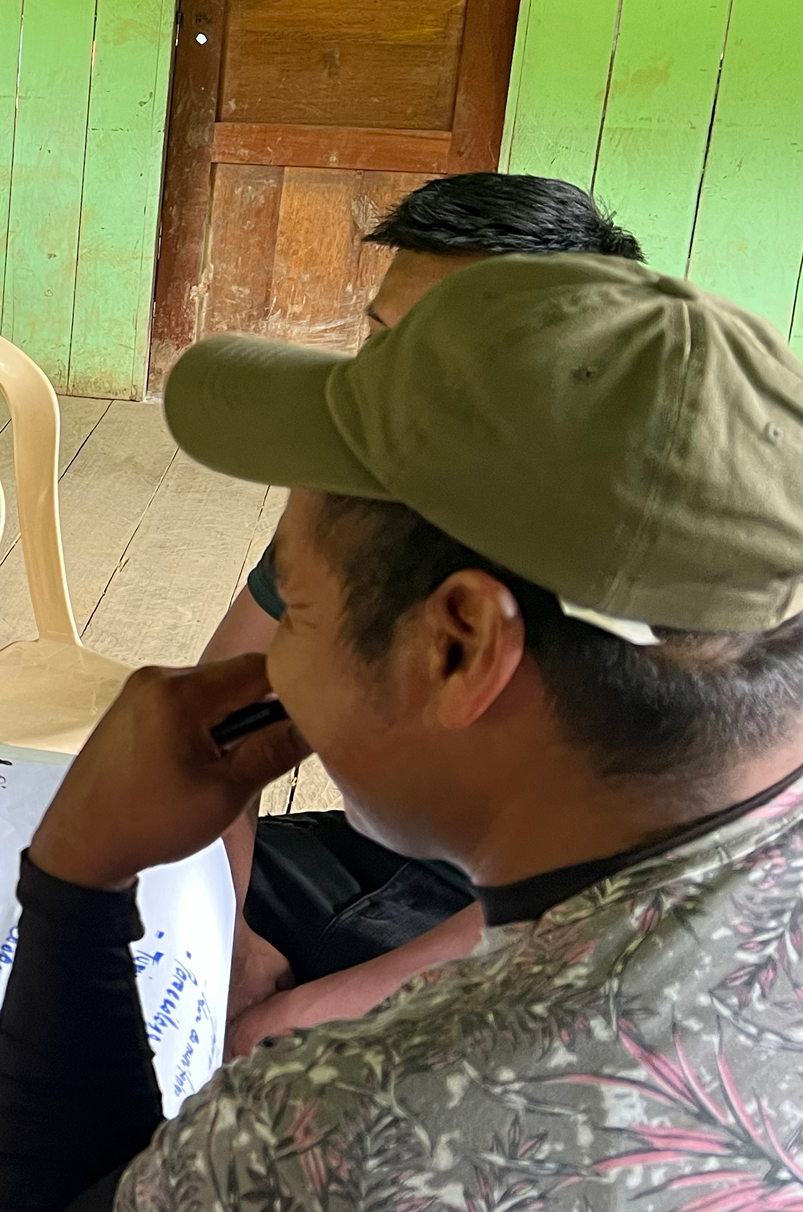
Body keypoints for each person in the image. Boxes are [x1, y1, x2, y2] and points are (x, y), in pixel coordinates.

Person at [0, 252, 803, 1212]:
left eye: (297, 608)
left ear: (457, 647)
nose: (270, 665)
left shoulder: (344, 1136)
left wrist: (78, 878)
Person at [206, 174, 645, 1052]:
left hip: (583, 927)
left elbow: (610, 888)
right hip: (391, 864)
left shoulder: (647, 549)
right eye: (381, 340)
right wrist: (228, 937)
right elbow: (217, 721)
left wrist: (299, 1014)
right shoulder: (361, 497)